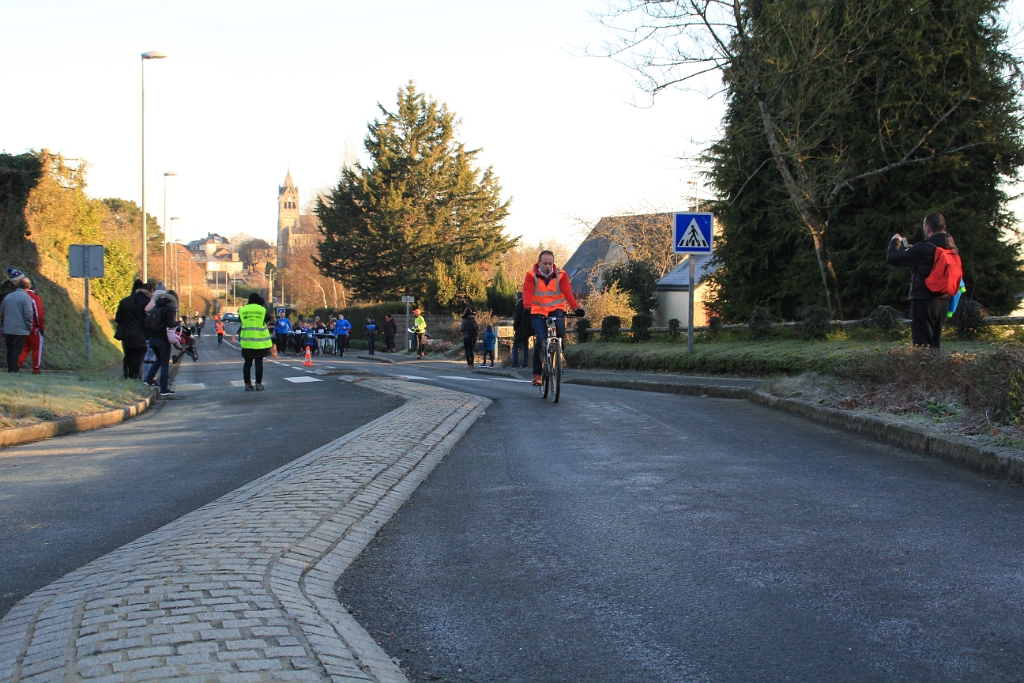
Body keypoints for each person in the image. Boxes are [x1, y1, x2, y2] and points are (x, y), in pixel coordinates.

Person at [886, 212, 957, 349]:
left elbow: (893, 257)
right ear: (944, 227)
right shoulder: (952, 248)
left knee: (922, 346)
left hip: (923, 300)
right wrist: (914, 251)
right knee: (935, 345)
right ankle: (937, 363)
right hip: (944, 301)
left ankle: (924, 364)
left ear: (927, 229)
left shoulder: (923, 248)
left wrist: (895, 240)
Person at [523, 250, 585, 385]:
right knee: (541, 340)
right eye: (545, 263)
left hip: (556, 309)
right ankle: (537, 374)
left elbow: (567, 293)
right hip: (538, 310)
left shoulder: (561, 275)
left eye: (550, 263)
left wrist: (576, 308)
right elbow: (527, 292)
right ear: (539, 263)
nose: (548, 266)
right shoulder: (531, 275)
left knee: (560, 329)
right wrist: (527, 307)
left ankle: (559, 352)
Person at [143, 288, 179, 396]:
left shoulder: (156, 306)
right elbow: (170, 324)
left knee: (159, 360)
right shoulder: (169, 308)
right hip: (162, 339)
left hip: (152, 338)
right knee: (164, 363)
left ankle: (148, 379)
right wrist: (177, 326)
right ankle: (164, 389)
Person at [114, 279, 151, 379]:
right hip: (141, 334)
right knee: (138, 357)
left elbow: (118, 318)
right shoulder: (144, 302)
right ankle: (135, 376)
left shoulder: (124, 302)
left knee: (128, 356)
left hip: (127, 334)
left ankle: (127, 376)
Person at [0, 269, 34, 373]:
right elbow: (28, 314)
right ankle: (14, 369)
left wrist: (4, 323)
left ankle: (10, 368)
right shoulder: (26, 298)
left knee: (10, 349)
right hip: (20, 328)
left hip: (7, 327)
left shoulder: (7, 296)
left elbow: (2, 311)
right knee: (16, 349)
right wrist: (29, 326)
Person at [239, 292, 272, 390]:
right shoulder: (262, 309)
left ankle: (247, 384)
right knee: (259, 363)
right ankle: (258, 383)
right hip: (259, 342)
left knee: (247, 363)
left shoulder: (243, 310)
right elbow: (269, 318)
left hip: (247, 342)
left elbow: (240, 320)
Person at [16, 275, 45, 373]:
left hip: (21, 327)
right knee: (36, 349)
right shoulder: (35, 298)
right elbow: (39, 314)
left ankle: (17, 363)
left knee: (25, 347)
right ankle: (36, 368)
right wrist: (41, 327)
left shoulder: (19, 297)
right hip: (34, 328)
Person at [511, 291, 530, 369]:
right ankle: (525, 364)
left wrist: (515, 327)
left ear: (517, 297)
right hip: (526, 329)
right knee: (525, 346)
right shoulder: (526, 305)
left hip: (520, 329)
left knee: (515, 346)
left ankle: (514, 363)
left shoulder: (518, 305)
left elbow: (517, 318)